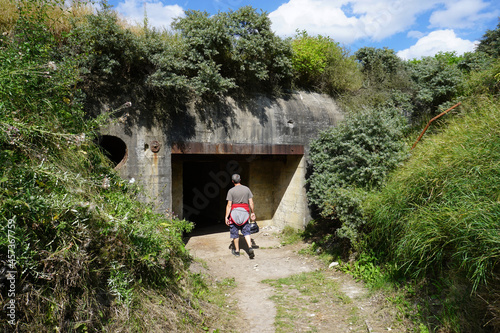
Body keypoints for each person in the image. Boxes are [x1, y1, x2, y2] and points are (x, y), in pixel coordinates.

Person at [225, 174, 256, 259]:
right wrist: (252, 212)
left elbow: (229, 205)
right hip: (245, 212)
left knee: (235, 232)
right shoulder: (247, 189)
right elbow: (251, 202)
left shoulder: (231, 191)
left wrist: (226, 216)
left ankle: (237, 251)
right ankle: (250, 247)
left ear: (232, 181)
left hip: (234, 213)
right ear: (240, 180)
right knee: (246, 231)